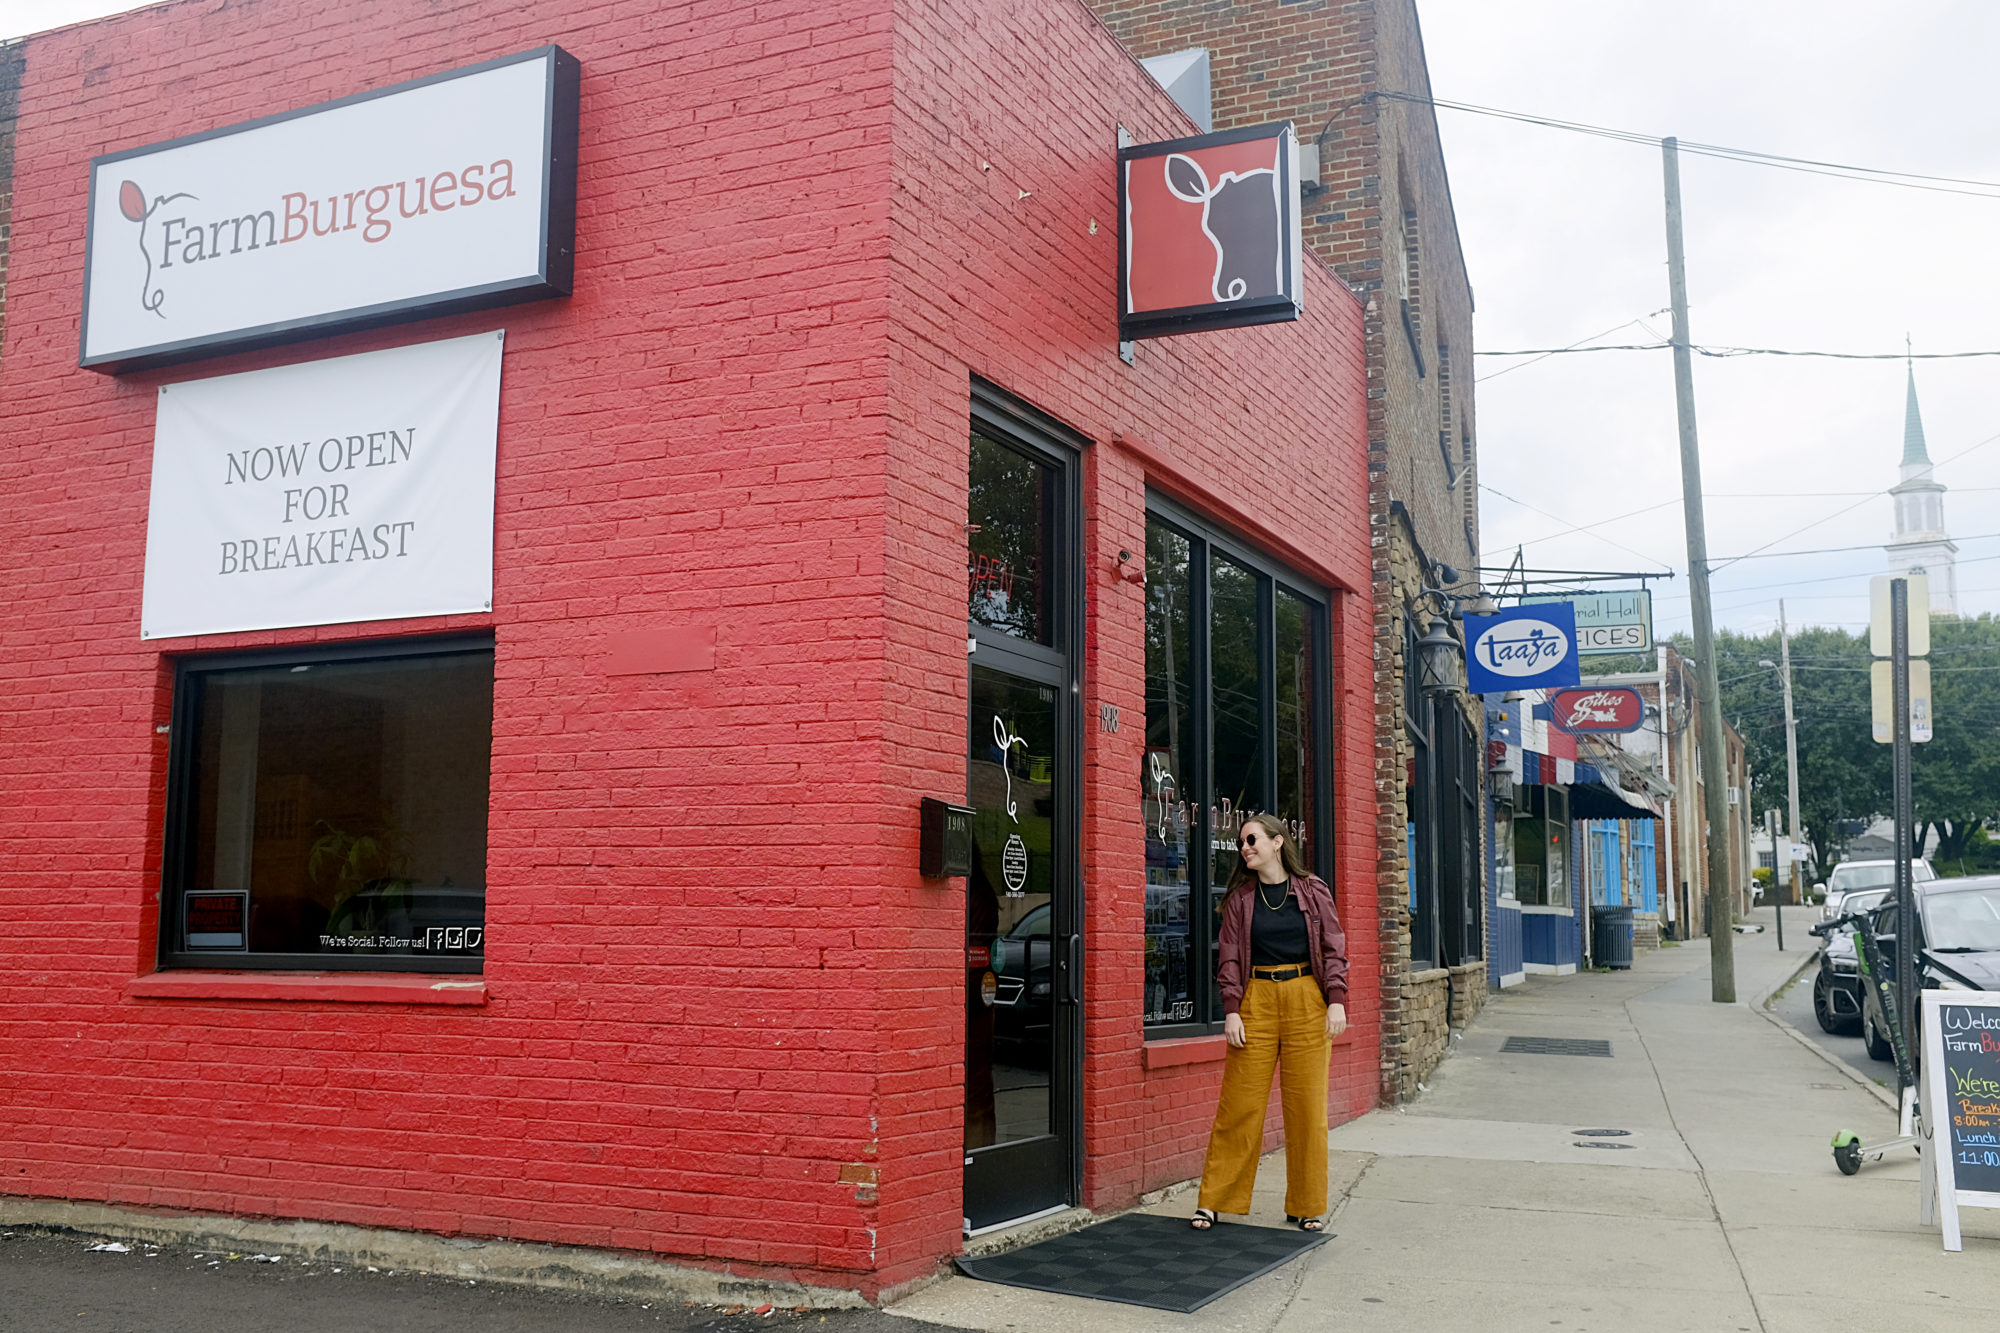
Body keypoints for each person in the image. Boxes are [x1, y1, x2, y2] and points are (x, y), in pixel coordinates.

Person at [1190, 812, 1348, 1232]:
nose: (1245, 848)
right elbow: (1229, 958)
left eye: (1252, 839)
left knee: (1307, 1109)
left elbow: (1334, 947)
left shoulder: (1314, 892)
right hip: (1256, 998)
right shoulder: (1241, 900)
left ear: (1278, 842)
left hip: (1305, 1001)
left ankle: (1307, 1204)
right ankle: (1215, 1200)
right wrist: (1231, 1011)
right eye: (1242, 843)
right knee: (1239, 1105)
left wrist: (1336, 1001)